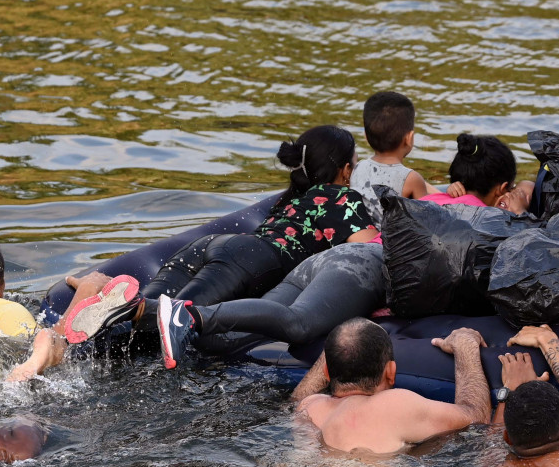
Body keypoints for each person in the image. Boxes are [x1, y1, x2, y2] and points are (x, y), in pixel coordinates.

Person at [60, 125, 379, 361]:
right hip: (248, 261)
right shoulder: (342, 197)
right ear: (346, 170)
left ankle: (73, 338)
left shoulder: (290, 199)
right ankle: (104, 313)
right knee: (165, 328)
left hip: (212, 247)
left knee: (139, 334)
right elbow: (367, 251)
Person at [290, 318, 492, 454]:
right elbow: (476, 416)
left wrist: (337, 352)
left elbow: (297, 398)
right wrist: (465, 345)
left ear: (326, 372)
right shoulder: (397, 406)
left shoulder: (308, 406)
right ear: (391, 372)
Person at [348, 91, 440, 223]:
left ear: (366, 137)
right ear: (409, 138)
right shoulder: (412, 178)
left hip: (363, 234)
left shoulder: (357, 167)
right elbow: (426, 220)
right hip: (391, 241)